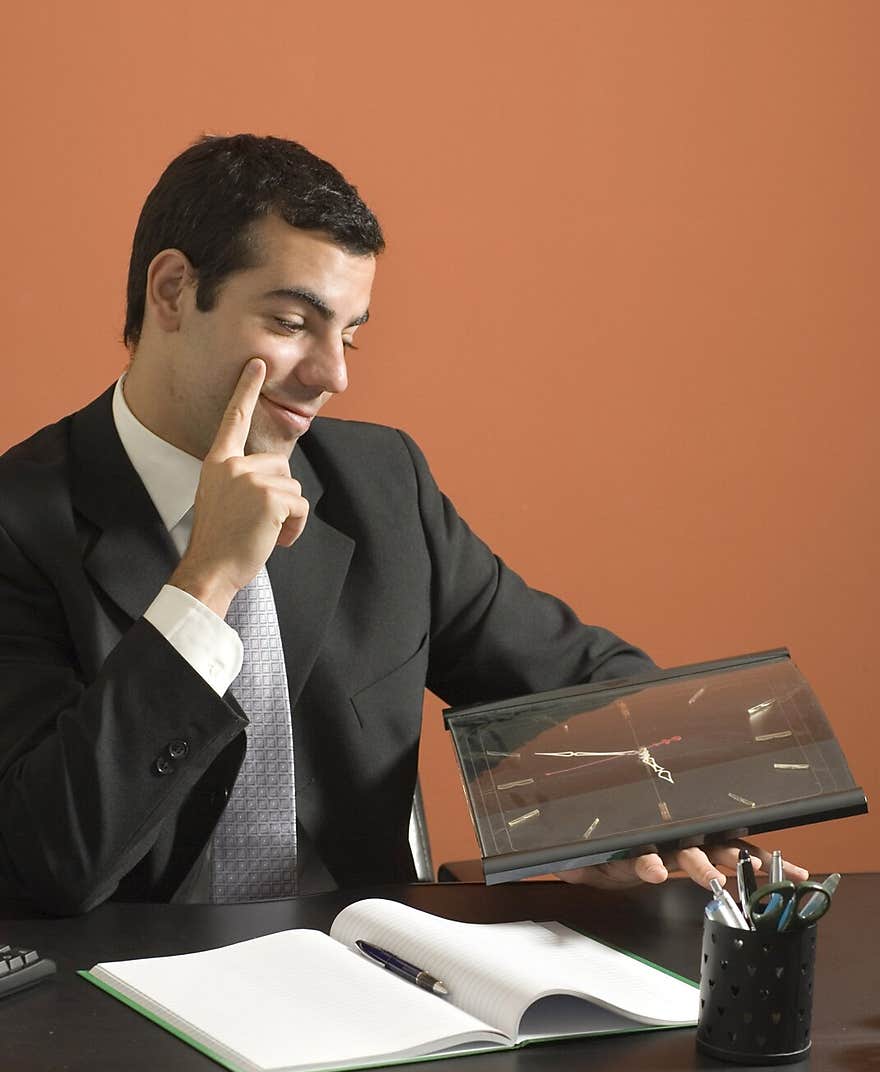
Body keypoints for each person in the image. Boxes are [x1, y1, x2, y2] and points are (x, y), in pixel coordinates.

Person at [0, 133, 806, 915]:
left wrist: (638, 820)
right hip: (114, 1010)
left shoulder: (381, 485)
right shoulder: (17, 523)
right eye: (290, 324)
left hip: (371, 988)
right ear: (172, 291)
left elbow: (584, 688)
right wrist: (204, 581)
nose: (334, 376)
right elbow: (48, 860)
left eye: (347, 334)